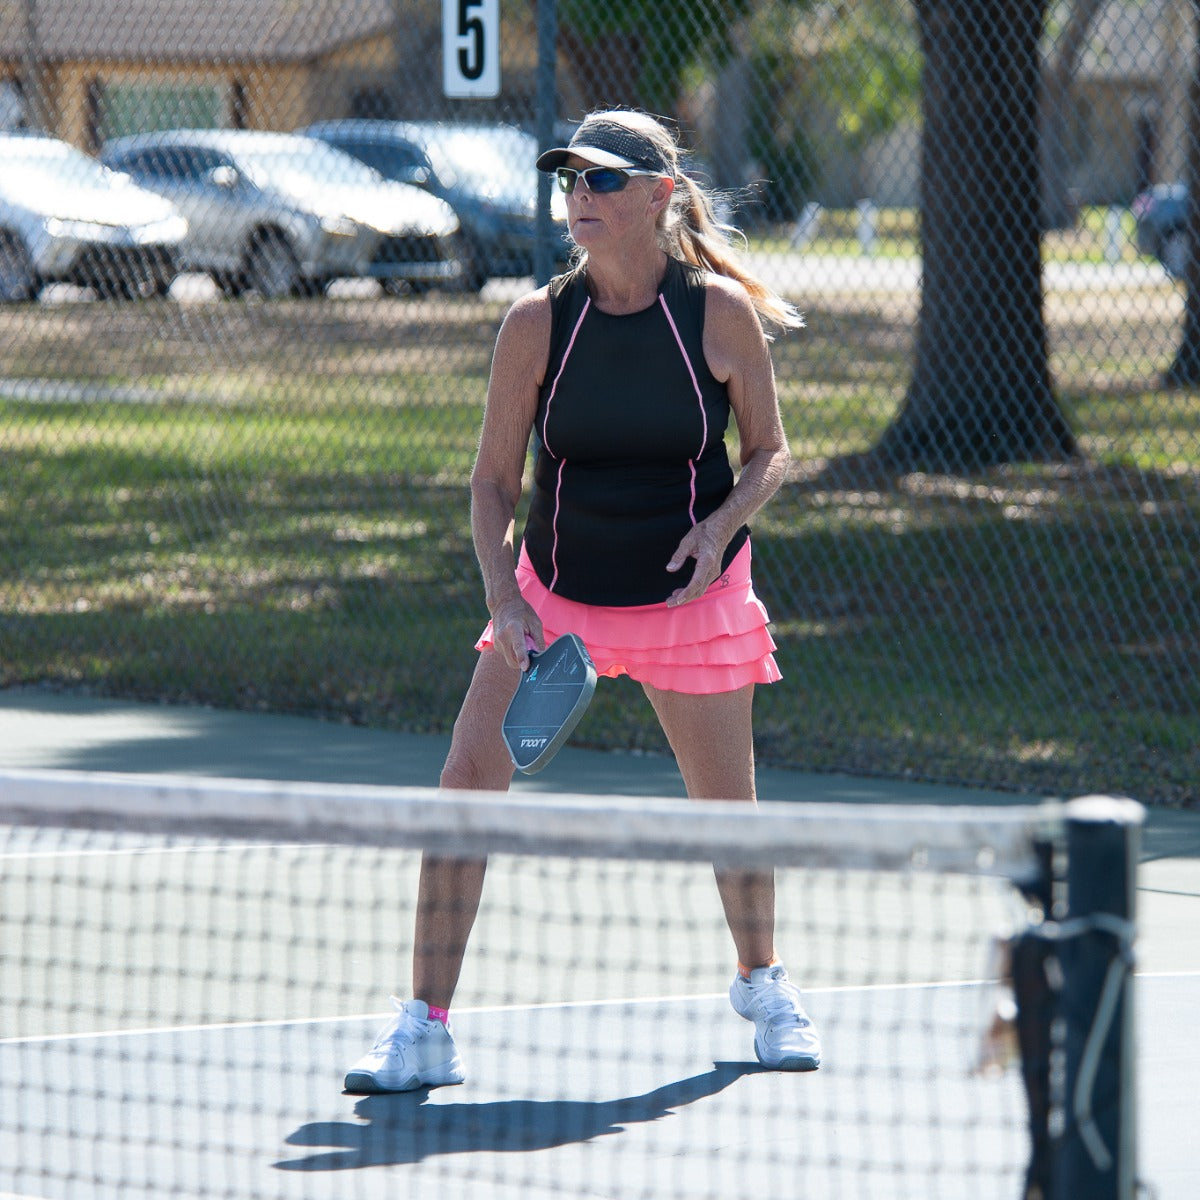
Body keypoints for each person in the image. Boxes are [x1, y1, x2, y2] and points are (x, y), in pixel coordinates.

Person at [344, 109, 821, 1094]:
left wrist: (719, 526)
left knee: (727, 813)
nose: (580, 199)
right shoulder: (534, 325)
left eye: (603, 182)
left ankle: (762, 983)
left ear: (660, 195)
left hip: (691, 600)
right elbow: (489, 485)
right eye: (569, 181)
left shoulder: (720, 316)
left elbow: (772, 453)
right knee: (465, 788)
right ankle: (424, 1025)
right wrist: (503, 599)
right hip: (552, 599)